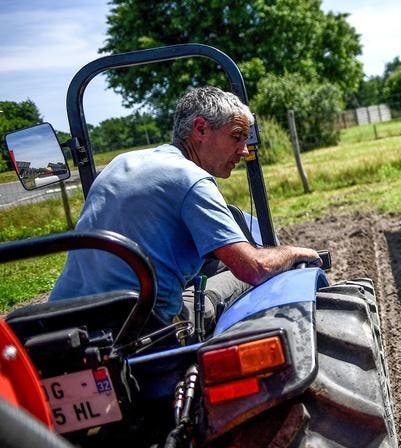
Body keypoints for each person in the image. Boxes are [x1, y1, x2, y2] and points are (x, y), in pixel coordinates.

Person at [49, 86, 321, 331]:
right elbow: (253, 268)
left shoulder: (121, 163)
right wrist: (294, 251)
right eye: (236, 136)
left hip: (64, 322)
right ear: (200, 129)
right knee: (245, 278)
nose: (243, 151)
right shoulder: (191, 179)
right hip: (145, 327)